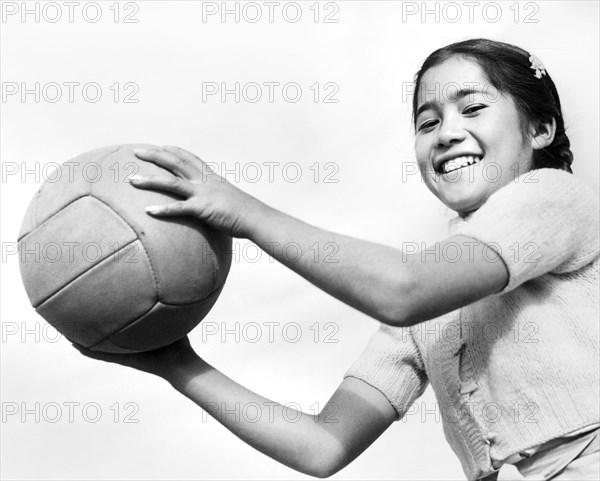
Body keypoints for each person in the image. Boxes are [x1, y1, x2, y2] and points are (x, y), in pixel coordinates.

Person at [74, 38, 599, 480]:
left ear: (540, 130)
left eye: (473, 107)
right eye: (426, 121)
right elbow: (322, 447)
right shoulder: (430, 318)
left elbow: (402, 289)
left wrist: (245, 212)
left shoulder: (552, 198)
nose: (446, 133)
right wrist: (175, 364)